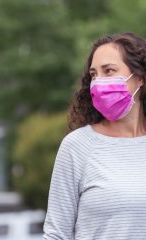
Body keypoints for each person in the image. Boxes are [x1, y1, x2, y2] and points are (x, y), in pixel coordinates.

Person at [43, 32, 146, 239]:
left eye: (109, 71)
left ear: (140, 78)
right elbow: (56, 234)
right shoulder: (77, 146)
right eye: (93, 75)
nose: (98, 82)